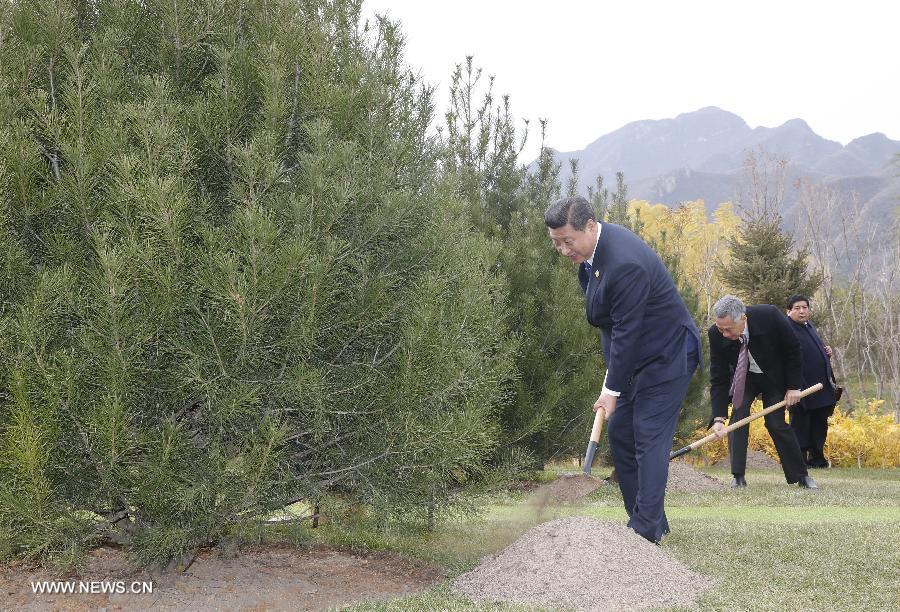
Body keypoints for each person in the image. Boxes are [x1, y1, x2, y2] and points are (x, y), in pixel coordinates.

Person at [545, 196, 700, 544]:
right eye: (556, 243)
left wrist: (612, 391)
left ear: (590, 226)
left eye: (568, 241)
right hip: (635, 357)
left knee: (648, 434)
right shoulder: (591, 257)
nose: (564, 250)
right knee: (621, 434)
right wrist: (610, 382)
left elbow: (627, 331)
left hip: (667, 355)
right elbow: (612, 327)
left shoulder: (624, 263)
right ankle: (647, 521)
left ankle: (644, 533)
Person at [708, 295, 818, 489]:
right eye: (720, 328)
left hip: (774, 377)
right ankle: (738, 476)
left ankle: (801, 475)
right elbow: (719, 375)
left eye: (728, 329)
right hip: (745, 377)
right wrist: (718, 418)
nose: (724, 334)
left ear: (743, 318)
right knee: (738, 416)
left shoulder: (769, 316)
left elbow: (793, 350)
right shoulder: (715, 334)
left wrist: (793, 387)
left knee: (775, 423)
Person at [785, 294, 839, 468]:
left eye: (805, 307)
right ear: (788, 311)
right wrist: (792, 387)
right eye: (797, 308)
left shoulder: (809, 325)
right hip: (800, 388)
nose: (802, 311)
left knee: (819, 425)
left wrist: (825, 352)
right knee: (800, 426)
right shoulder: (787, 329)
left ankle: (817, 460)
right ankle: (799, 462)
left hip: (821, 387)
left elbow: (812, 348)